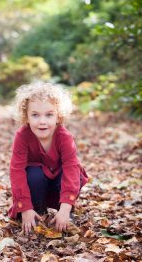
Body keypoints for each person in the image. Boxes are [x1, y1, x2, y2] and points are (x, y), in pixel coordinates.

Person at [8, 82, 88, 234]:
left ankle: (63, 213)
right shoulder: (22, 136)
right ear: (26, 117)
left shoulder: (64, 137)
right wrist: (25, 208)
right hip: (36, 185)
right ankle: (37, 211)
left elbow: (71, 168)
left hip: (59, 183)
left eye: (49, 115)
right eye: (35, 115)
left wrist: (66, 207)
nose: (42, 121)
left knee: (74, 172)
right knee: (33, 173)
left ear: (58, 116)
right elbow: (16, 171)